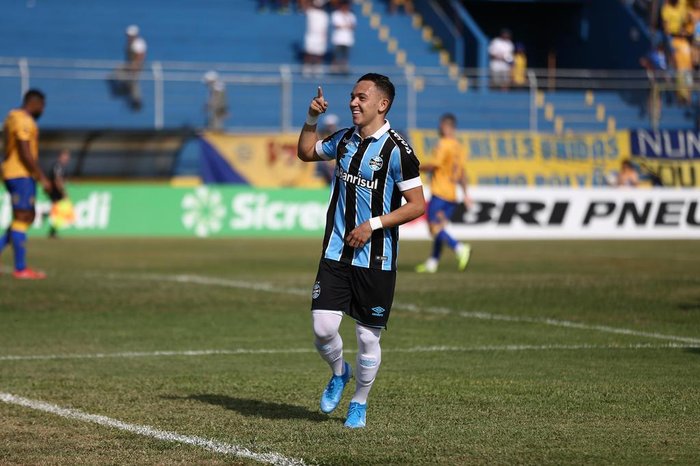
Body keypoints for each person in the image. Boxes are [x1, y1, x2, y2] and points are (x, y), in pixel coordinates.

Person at [296, 73, 425, 428]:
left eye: (362, 97)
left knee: (368, 337)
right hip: (336, 252)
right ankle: (340, 372)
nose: (353, 102)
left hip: (377, 258)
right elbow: (306, 152)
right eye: (352, 96)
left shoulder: (398, 151)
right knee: (323, 329)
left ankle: (359, 401)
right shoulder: (343, 141)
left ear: (382, 105)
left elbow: (416, 205)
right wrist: (311, 118)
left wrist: (373, 224)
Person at [0, 89, 51, 279]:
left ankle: (20, 267)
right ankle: (20, 269)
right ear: (35, 103)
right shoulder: (24, 121)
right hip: (20, 173)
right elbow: (24, 152)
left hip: (11, 172)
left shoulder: (11, 117)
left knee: (22, 218)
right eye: (42, 106)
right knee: (24, 216)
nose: (42, 111)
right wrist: (41, 177)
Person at [415, 114, 471, 274]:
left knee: (433, 228)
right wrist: (466, 194)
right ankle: (432, 262)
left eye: (441, 126)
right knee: (438, 229)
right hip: (452, 195)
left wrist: (415, 168)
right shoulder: (459, 147)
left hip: (440, 192)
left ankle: (460, 248)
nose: (439, 129)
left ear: (447, 127)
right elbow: (462, 173)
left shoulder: (443, 144)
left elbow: (434, 164)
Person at [109, 25, 147, 110]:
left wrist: (136, 66)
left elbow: (141, 56)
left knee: (133, 82)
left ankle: (136, 101)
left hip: (135, 66)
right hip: (129, 64)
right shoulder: (130, 43)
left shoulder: (139, 43)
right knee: (119, 71)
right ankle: (124, 89)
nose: (128, 36)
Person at [47, 149, 71, 238]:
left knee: (57, 211)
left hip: (56, 192)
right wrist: (63, 191)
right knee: (58, 211)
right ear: (61, 156)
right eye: (66, 156)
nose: (67, 159)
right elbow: (57, 180)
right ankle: (53, 231)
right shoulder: (58, 166)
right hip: (56, 192)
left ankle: (53, 231)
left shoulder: (60, 166)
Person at [303, 0, 330, 78]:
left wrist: (325, 37)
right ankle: (307, 68)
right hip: (311, 36)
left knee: (319, 54)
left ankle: (317, 68)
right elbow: (305, 7)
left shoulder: (325, 15)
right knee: (309, 52)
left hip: (321, 37)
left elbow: (325, 28)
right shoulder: (311, 12)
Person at [330, 1, 356, 74]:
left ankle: (343, 68)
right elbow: (337, 25)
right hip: (338, 39)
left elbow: (353, 26)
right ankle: (334, 68)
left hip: (347, 39)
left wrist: (344, 26)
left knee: (345, 55)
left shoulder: (351, 15)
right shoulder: (336, 14)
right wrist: (346, 26)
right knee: (336, 54)